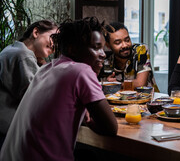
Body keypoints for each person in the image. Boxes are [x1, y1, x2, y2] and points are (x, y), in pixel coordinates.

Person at [0, 17, 118, 161]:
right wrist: (88, 120)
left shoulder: (47, 68)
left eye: (103, 48)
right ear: (72, 49)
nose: (103, 54)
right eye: (96, 47)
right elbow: (111, 128)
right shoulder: (82, 71)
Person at [0, 19, 58, 149]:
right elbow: (39, 97)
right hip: (7, 132)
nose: (55, 45)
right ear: (36, 32)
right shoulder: (23, 56)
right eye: (53, 38)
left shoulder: (13, 49)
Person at [103, 22, 159, 92]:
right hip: (119, 101)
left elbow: (140, 83)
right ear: (108, 45)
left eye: (127, 40)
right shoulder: (105, 59)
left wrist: (117, 84)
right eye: (118, 43)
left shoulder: (140, 50)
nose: (125, 45)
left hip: (148, 99)